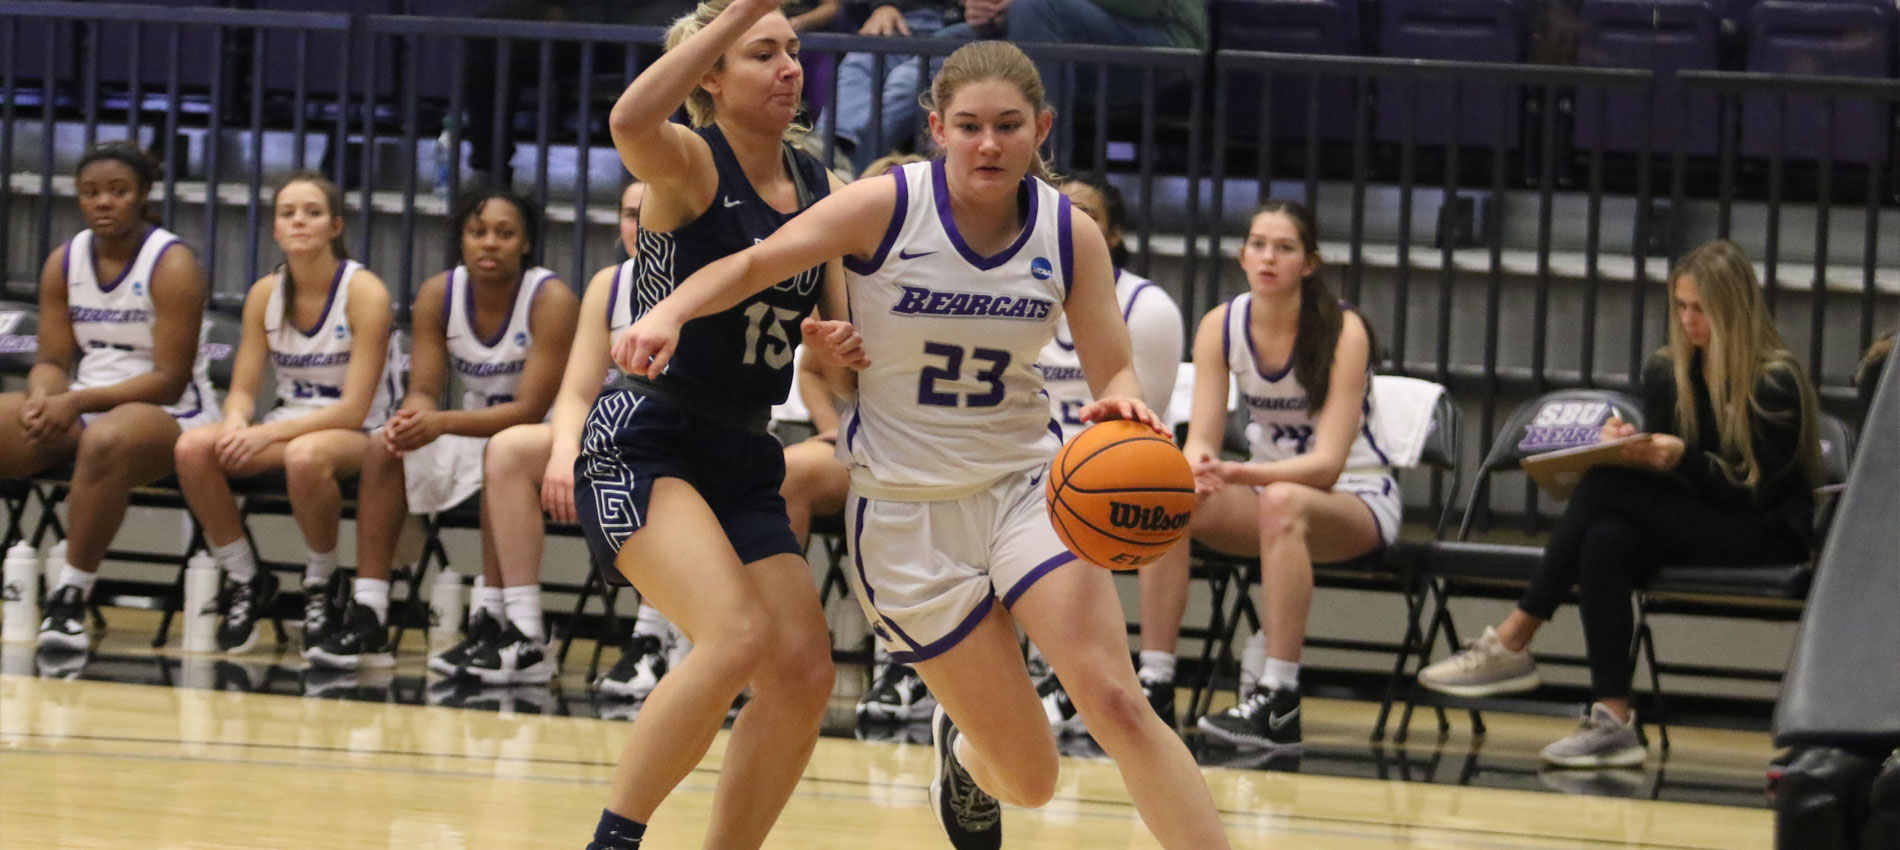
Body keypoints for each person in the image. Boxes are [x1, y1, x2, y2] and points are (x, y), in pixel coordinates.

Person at [619, 39, 1232, 850]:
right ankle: (967, 755)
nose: (989, 144)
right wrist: (667, 312)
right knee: (1031, 778)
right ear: (937, 127)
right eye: (970, 125)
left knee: (1116, 700)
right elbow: (755, 262)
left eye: (1009, 126)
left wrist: (1125, 405)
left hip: (1025, 488)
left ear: (1040, 129)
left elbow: (1112, 364)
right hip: (908, 516)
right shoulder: (885, 205)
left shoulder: (1069, 231)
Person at [575, 2, 845, 847]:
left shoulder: (814, 183)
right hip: (647, 435)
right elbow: (628, 118)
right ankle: (612, 841)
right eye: (762, 54)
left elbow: (833, 338)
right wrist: (737, 12)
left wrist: (839, 342)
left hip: (742, 445)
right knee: (733, 637)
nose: (788, 67)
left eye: (793, 51)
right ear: (712, 77)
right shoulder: (690, 159)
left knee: (803, 672)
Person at [1418, 239, 1823, 768]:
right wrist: (1632, 444)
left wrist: (1680, 460)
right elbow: (1670, 473)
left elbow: (1756, 490)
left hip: (1766, 531)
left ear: (1734, 309)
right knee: (1607, 538)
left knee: (1609, 489)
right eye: (1679, 306)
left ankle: (1516, 636)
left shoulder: (1774, 381)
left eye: (1700, 309)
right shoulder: (1669, 370)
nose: (1687, 320)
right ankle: (1613, 720)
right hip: (1700, 519)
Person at [305, 187, 579, 673]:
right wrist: (411, 419)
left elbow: (529, 408)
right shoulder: (439, 293)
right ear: (461, 241)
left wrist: (439, 423)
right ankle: (370, 610)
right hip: (471, 431)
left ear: (526, 243)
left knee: (503, 455)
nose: (489, 243)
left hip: (540, 440)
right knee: (382, 448)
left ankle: (497, 619)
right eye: (477, 233)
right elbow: (426, 388)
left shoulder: (551, 298)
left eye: (504, 233)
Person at [1182, 200, 1396, 752]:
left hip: (1356, 499)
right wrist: (1200, 468)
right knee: (1168, 499)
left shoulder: (1345, 330)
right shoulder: (1220, 324)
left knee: (1281, 499)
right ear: (1241, 255)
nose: (1268, 258)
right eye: (1258, 245)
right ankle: (1155, 679)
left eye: (1284, 247)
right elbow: (1201, 438)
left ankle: (1280, 696)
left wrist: (1236, 470)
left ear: (1309, 263)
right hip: (1269, 495)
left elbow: (1326, 468)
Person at [423, 181, 655, 686]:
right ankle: (525, 633)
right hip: (613, 434)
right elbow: (575, 394)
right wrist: (564, 448)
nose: (640, 226)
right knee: (509, 450)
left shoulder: (710, 279)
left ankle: (655, 635)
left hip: (681, 440)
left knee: (662, 463)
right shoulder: (609, 284)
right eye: (630, 214)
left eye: (653, 213)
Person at [0, 141, 220, 654]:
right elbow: (54, 361)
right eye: (91, 193)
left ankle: (69, 597)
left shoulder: (173, 263)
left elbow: (168, 378)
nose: (103, 202)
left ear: (142, 195)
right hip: (86, 403)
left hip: (172, 414)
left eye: (117, 192)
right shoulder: (65, 260)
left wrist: (73, 405)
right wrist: (42, 398)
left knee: (104, 441)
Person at [173, 172, 399, 656]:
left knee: (303, 455)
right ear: (275, 229)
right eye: (287, 213)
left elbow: (353, 408)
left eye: (312, 212)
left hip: (360, 431)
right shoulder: (264, 293)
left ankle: (322, 580)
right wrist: (237, 423)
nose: (299, 221)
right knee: (194, 447)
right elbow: (242, 390)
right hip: (291, 423)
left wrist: (265, 435)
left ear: (335, 225)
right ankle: (245, 576)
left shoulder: (365, 293)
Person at [1027, 171, 1185, 733]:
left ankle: (1152, 674)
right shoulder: (1017, 285)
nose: (1071, 221)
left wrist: (1070, 468)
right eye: (1062, 209)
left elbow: (1144, 428)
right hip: (1028, 458)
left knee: (1101, 492)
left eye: (1087, 213)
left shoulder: (1147, 306)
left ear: (1112, 235)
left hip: (1105, 462)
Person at [821, 1, 979, 173]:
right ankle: (824, 155)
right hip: (903, 19)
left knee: (904, 81)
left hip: (968, 29)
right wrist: (882, 5)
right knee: (858, 64)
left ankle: (846, 171)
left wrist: (1004, 8)